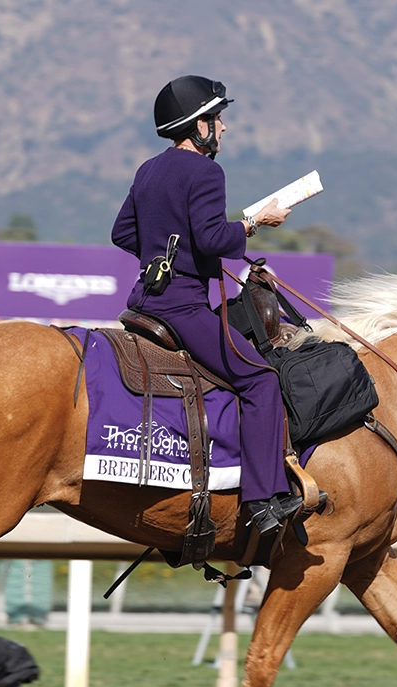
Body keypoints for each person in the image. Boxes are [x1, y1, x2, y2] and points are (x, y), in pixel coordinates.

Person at [111, 75, 300, 534]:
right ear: (199, 126)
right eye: (218, 119)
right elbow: (215, 238)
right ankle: (261, 501)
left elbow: (122, 234)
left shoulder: (148, 170)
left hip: (144, 301)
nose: (224, 128)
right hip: (181, 308)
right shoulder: (206, 172)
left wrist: (164, 255)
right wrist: (256, 222)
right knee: (261, 380)